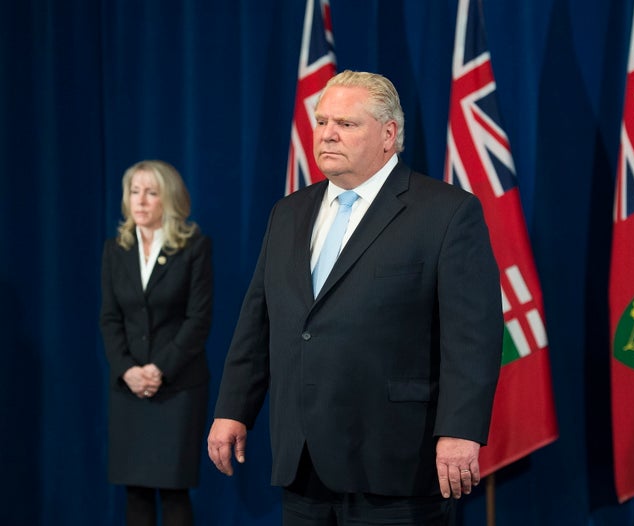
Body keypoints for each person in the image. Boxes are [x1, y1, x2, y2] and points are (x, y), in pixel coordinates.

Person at [208, 70, 503, 525]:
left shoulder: (446, 212)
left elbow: (473, 338)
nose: (327, 134)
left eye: (346, 124)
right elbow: (258, 322)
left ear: (388, 135)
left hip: (396, 463)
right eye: (322, 121)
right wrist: (232, 410)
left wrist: (460, 431)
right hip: (302, 461)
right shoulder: (288, 213)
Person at [100, 160, 213, 526]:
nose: (141, 201)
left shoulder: (194, 247)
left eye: (151, 192)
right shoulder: (115, 250)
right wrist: (128, 370)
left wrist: (159, 369)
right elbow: (110, 319)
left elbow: (198, 321)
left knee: (174, 489)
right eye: (135, 192)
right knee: (136, 491)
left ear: (170, 198)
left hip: (177, 387)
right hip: (129, 387)